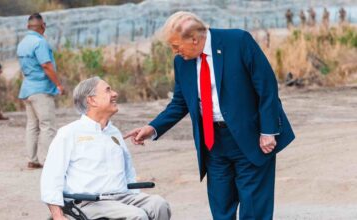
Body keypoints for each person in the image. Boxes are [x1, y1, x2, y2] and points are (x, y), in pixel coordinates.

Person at [125, 11, 295, 220]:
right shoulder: (182, 62)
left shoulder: (238, 41)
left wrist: (268, 130)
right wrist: (153, 128)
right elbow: (180, 102)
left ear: (194, 39)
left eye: (176, 46)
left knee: (253, 210)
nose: (175, 52)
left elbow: (266, 87)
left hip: (251, 138)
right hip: (213, 143)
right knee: (221, 209)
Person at [41, 77, 171, 220]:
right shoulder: (69, 133)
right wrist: (57, 215)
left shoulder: (114, 132)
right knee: (137, 216)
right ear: (92, 100)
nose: (115, 94)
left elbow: (128, 172)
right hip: (90, 202)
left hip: (121, 197)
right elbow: (51, 177)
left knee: (159, 205)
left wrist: (135, 197)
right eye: (108, 90)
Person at [17, 13, 64, 169]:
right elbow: (46, 65)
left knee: (32, 125)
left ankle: (33, 159)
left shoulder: (23, 43)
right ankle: (49, 160)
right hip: (41, 89)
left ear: (28, 26)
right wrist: (58, 84)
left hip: (27, 89)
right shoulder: (40, 42)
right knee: (47, 125)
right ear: (43, 26)